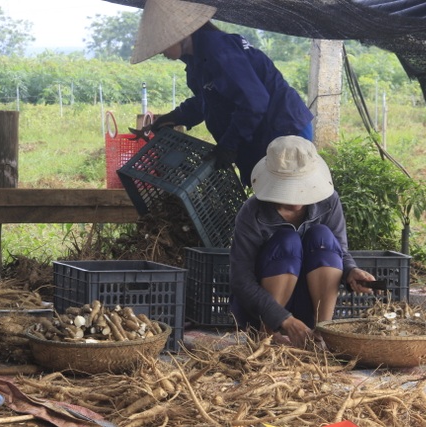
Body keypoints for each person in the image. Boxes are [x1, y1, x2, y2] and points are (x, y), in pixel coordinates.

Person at [130, 0, 314, 188]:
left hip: (284, 128)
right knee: (266, 195)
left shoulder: (219, 51)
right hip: (263, 128)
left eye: (160, 43)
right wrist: (176, 117)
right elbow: (208, 99)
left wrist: (229, 144)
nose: (160, 52)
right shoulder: (196, 61)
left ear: (180, 34)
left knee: (286, 196)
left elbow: (254, 103)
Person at [228, 135, 376, 348]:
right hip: (261, 310)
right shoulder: (252, 213)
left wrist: (351, 271)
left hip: (310, 300)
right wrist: (282, 319)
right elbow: (240, 279)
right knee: (287, 241)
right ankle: (266, 336)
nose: (296, 202)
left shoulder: (329, 202)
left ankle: (322, 333)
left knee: (322, 236)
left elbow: (339, 252)